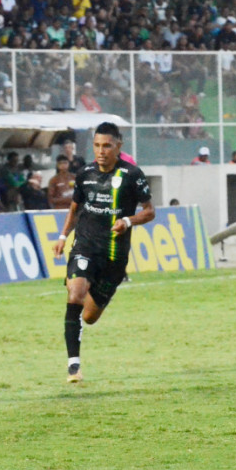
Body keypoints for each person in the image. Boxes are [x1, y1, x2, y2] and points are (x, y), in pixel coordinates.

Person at [53, 122, 154, 383]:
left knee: (89, 316)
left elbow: (150, 211)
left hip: (114, 256)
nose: (101, 151)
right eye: (97, 145)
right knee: (75, 294)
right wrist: (63, 237)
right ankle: (73, 367)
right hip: (85, 245)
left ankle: (80, 312)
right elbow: (74, 210)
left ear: (118, 146)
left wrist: (129, 221)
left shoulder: (132, 175)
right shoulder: (84, 174)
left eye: (107, 145)